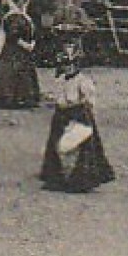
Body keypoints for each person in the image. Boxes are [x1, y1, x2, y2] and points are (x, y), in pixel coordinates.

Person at [40, 44, 116, 193]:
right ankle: (57, 176)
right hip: (61, 115)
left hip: (78, 114)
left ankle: (80, 178)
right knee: (57, 144)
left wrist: (80, 108)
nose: (68, 68)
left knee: (80, 147)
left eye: (71, 65)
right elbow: (58, 96)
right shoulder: (61, 80)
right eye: (64, 65)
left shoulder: (83, 81)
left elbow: (90, 101)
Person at [0, 0, 41, 108]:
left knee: (26, 72)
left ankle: (26, 98)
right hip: (13, 49)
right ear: (14, 1)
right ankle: (11, 98)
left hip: (25, 51)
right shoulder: (10, 17)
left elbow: (33, 33)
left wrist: (32, 43)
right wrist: (25, 45)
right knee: (10, 71)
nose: (21, 3)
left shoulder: (27, 17)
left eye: (24, 0)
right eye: (18, 0)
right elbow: (12, 36)